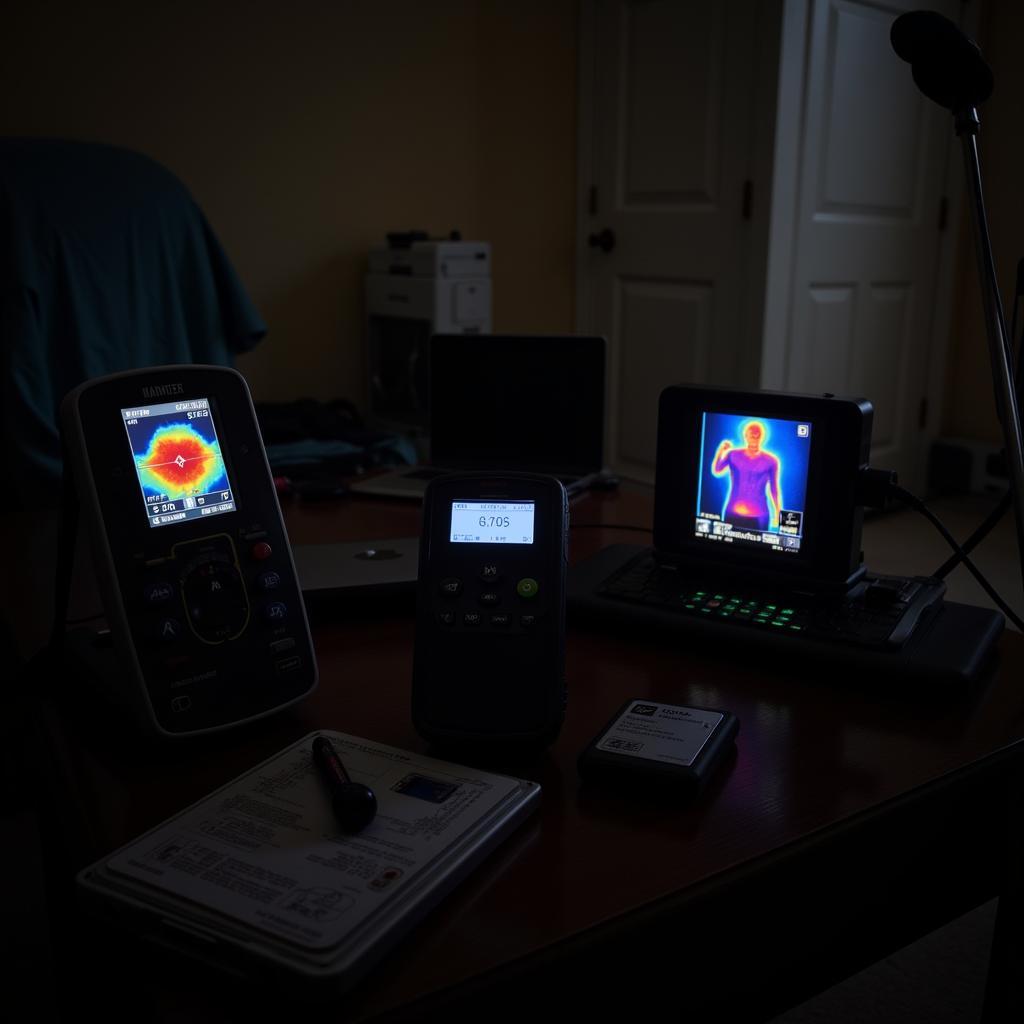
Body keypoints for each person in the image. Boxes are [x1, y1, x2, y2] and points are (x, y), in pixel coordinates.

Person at [711, 420, 781, 531]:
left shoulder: (771, 461)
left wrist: (777, 514)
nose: (754, 439)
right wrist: (720, 451)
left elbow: (774, 489)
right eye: (751, 436)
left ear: (762, 437)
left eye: (757, 436)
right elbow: (717, 470)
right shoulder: (733, 454)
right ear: (746, 436)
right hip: (733, 513)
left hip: (759, 516)